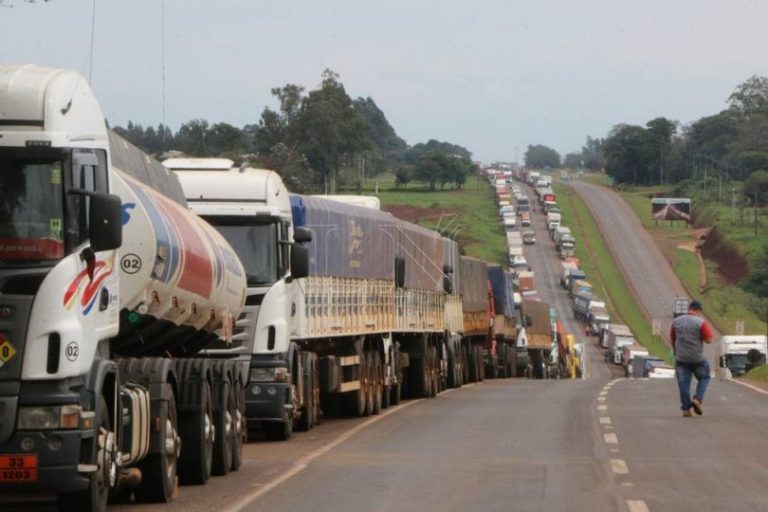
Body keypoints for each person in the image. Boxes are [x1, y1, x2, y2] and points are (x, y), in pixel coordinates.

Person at [670, 300, 714, 417]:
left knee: (683, 383)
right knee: (704, 377)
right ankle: (697, 399)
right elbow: (709, 340)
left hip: (681, 358)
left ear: (689, 308)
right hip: (696, 358)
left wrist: (677, 351)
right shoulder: (700, 322)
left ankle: (686, 409)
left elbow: (673, 339)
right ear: (698, 310)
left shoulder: (676, 322)